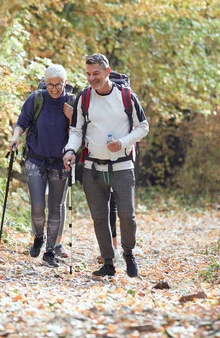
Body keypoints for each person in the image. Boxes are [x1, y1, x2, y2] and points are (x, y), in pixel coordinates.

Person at [62, 53, 149, 277]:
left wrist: (123, 142)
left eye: (96, 73)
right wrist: (71, 149)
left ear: (107, 72)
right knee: (99, 218)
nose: (91, 78)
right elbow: (76, 130)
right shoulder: (84, 98)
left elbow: (143, 127)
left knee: (127, 216)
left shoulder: (127, 96)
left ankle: (128, 254)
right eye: (88, 74)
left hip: (122, 166)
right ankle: (108, 262)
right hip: (92, 167)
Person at [9, 64, 74, 268]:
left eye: (59, 85)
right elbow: (22, 121)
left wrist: (73, 117)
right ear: (45, 83)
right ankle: (38, 236)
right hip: (35, 160)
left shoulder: (72, 102)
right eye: (51, 85)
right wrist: (14, 137)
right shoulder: (36, 98)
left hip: (60, 162)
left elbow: (80, 131)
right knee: (38, 207)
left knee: (56, 207)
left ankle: (49, 251)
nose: (54, 89)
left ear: (65, 83)